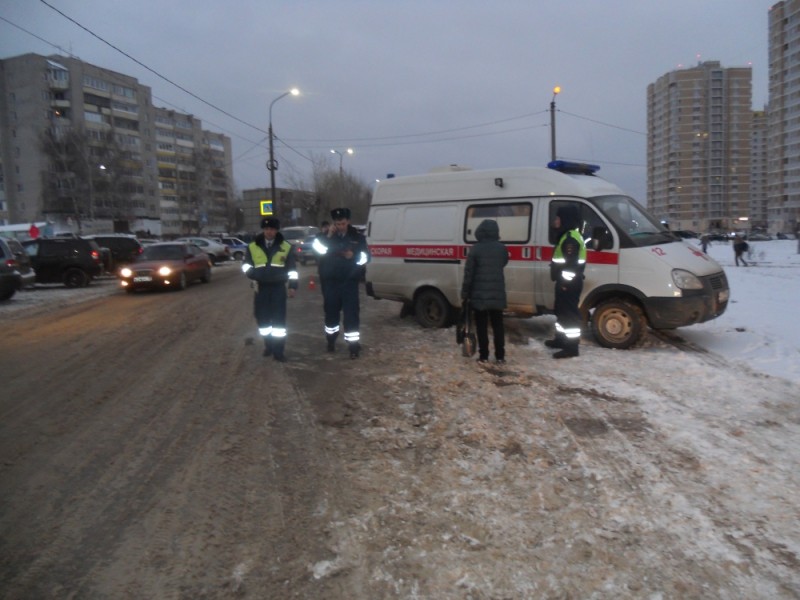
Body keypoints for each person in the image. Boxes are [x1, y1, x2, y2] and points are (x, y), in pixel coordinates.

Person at [313, 207, 370, 358]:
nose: (340, 226)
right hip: (330, 283)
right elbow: (318, 253)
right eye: (337, 224)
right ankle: (331, 340)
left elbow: (366, 257)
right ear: (333, 223)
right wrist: (329, 236)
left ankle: (353, 347)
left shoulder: (357, 237)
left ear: (348, 222)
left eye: (343, 223)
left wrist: (354, 255)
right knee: (331, 314)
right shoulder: (324, 237)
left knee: (351, 314)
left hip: (349, 282)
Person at [241, 217, 298, 361]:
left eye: (272, 229)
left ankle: (278, 351)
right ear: (263, 230)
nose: (269, 232)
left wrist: (292, 286)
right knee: (262, 319)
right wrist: (254, 274)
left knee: (279, 322)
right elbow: (246, 266)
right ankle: (269, 344)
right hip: (261, 288)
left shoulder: (285, 247)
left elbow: (292, 270)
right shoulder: (252, 246)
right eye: (266, 229)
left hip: (278, 287)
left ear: (276, 230)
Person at [460, 219, 509, 364]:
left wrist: (465, 293)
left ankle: (484, 356)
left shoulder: (475, 249)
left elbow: (469, 274)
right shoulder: (502, 248)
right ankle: (500, 356)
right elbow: (504, 262)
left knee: (481, 326)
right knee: (498, 325)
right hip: (497, 293)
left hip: (479, 294)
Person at [545, 205, 586, 359]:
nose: (555, 221)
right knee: (561, 312)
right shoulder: (567, 235)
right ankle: (560, 340)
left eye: (558, 218)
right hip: (566, 282)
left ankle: (571, 347)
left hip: (569, 283)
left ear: (565, 220)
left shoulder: (570, 239)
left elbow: (571, 266)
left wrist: (565, 283)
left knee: (569, 315)